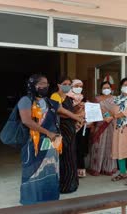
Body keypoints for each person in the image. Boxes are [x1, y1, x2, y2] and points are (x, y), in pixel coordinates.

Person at [18, 74, 82, 204]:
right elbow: (27, 121)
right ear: (32, 85)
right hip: (33, 143)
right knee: (33, 169)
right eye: (41, 84)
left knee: (49, 169)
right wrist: (48, 132)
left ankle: (49, 196)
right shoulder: (25, 100)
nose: (45, 86)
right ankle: (32, 199)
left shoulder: (49, 101)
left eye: (46, 83)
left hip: (50, 143)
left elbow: (63, 110)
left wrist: (79, 116)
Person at [50, 76, 80, 193]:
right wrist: (75, 116)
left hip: (70, 130)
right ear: (59, 85)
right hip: (61, 131)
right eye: (64, 83)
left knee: (71, 156)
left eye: (69, 84)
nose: (67, 85)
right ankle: (63, 185)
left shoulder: (67, 97)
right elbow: (60, 111)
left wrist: (78, 108)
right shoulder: (55, 96)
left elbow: (69, 111)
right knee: (63, 157)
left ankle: (72, 183)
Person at [89, 81, 117, 176]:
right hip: (100, 125)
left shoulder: (115, 99)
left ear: (111, 89)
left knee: (110, 147)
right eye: (104, 88)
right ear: (101, 89)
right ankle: (96, 168)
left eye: (108, 87)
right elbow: (92, 113)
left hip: (111, 125)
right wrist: (92, 125)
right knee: (98, 146)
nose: (106, 89)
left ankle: (108, 168)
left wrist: (109, 115)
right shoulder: (97, 99)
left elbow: (117, 112)